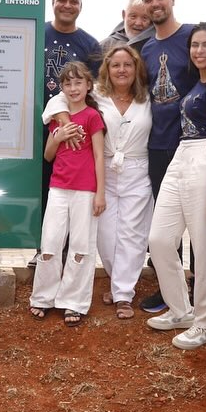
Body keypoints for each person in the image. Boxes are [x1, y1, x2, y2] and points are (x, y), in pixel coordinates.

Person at [138, 0, 206, 314]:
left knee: (200, 229)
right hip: (161, 143)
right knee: (165, 229)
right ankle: (172, 293)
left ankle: (201, 294)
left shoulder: (193, 35)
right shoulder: (147, 48)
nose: (155, 3)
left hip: (199, 145)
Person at [43, 45, 153, 318]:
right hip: (102, 169)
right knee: (104, 234)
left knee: (133, 235)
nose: (122, 70)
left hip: (137, 169)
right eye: (116, 65)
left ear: (136, 68)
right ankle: (118, 283)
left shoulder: (148, 98)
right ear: (107, 69)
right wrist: (64, 122)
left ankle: (123, 294)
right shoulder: (97, 96)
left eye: (127, 64)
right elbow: (60, 99)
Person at [30, 61, 106, 327]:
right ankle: (43, 296)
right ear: (62, 87)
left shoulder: (92, 116)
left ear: (88, 85)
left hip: (85, 190)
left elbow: (99, 155)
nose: (73, 88)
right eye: (68, 83)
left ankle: (74, 302)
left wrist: (100, 193)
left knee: (81, 246)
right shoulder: (57, 117)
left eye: (78, 82)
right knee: (50, 241)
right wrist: (58, 136)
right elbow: (48, 155)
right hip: (59, 188)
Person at [34, 0, 102, 268]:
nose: (67, 5)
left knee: (71, 191)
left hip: (78, 133)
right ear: (53, 2)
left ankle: (69, 254)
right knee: (42, 189)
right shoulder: (37, 34)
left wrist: (74, 123)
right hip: (39, 125)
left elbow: (95, 90)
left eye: (73, 1)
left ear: (81, 6)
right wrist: (61, 118)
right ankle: (43, 249)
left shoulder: (90, 45)